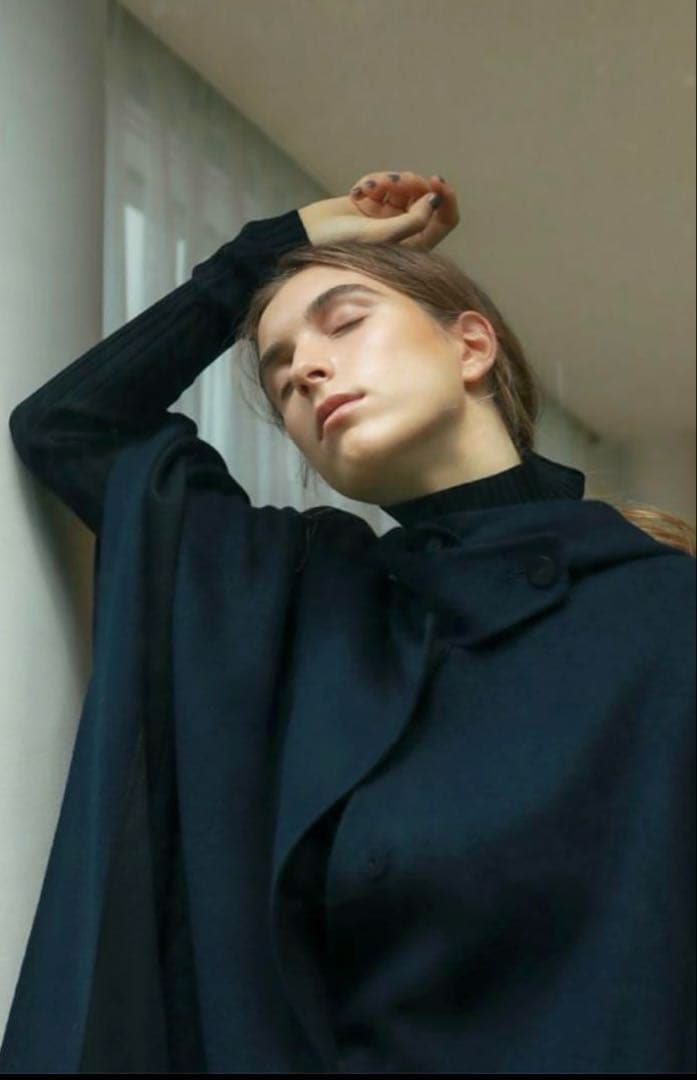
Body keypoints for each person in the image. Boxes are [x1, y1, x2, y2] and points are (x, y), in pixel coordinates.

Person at [1, 170, 694, 1075]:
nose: (305, 370)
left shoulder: (663, 611)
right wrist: (271, 245)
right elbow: (70, 426)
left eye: (345, 322)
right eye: (279, 372)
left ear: (470, 345)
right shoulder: (304, 598)